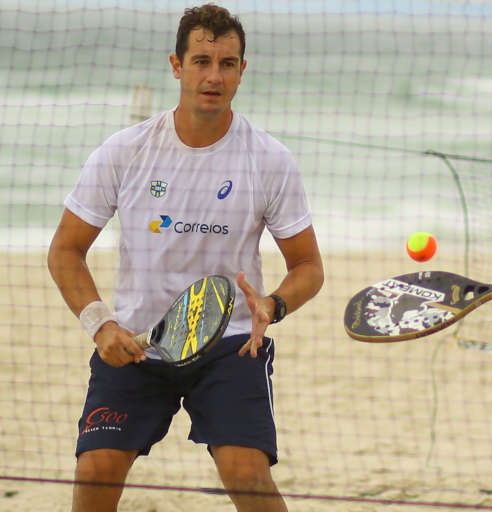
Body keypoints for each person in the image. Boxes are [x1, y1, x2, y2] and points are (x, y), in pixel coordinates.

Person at [47, 4, 324, 511]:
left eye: (227, 63)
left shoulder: (270, 160)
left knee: (247, 474)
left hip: (231, 342)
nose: (213, 75)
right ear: (176, 66)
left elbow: (308, 267)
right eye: (200, 61)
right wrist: (100, 325)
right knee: (95, 471)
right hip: (137, 340)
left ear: (243, 69)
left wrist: (272, 305)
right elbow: (65, 250)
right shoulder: (125, 150)